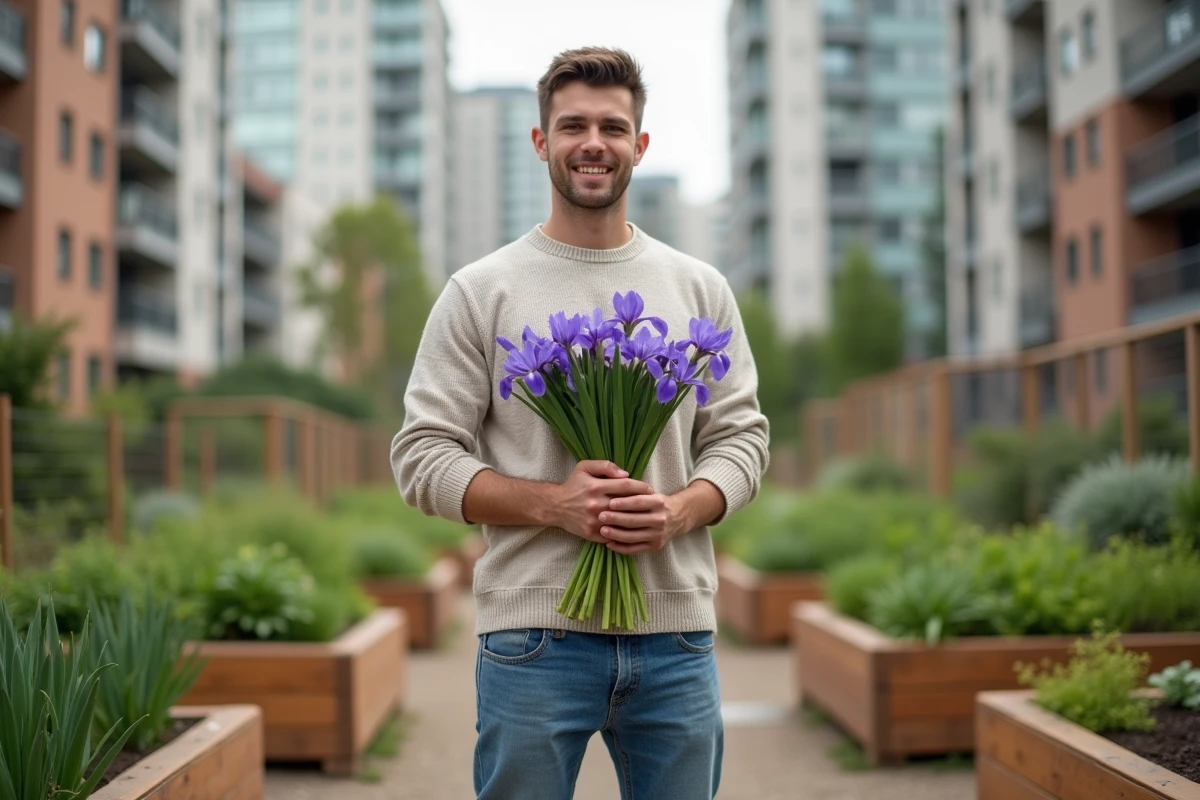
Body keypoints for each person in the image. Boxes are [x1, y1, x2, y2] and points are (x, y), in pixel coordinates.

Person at [391, 46, 769, 800]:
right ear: (541, 142)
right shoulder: (481, 291)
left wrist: (677, 511)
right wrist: (553, 504)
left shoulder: (700, 288)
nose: (593, 143)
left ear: (640, 145)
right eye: (572, 126)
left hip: (676, 635)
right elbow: (421, 456)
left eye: (613, 127)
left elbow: (742, 439)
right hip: (534, 638)